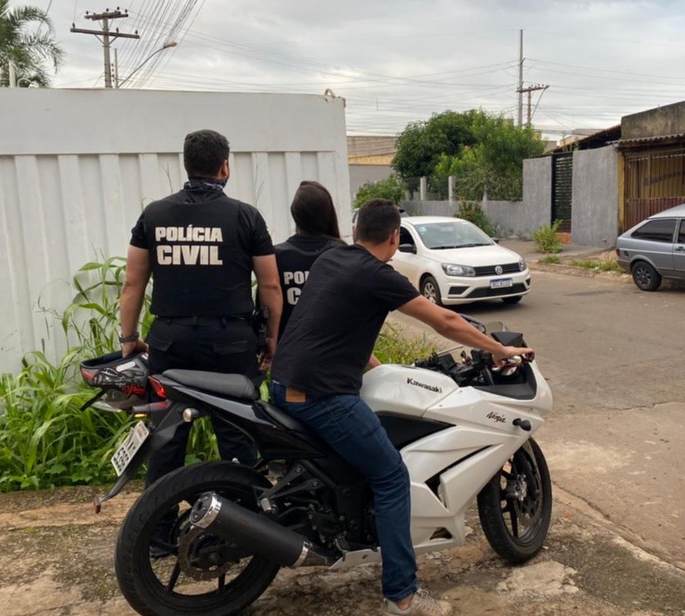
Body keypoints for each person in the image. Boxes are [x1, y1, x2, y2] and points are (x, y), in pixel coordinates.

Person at [269, 199, 532, 616]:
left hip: (284, 383)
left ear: (357, 232)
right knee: (391, 476)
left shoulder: (333, 257)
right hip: (320, 395)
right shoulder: (378, 275)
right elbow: (443, 321)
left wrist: (379, 366)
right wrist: (498, 348)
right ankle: (402, 597)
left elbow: (334, 325)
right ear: (395, 237)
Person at [118, 129, 283, 492]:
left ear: (187, 165)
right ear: (224, 167)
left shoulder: (154, 214)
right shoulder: (246, 216)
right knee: (238, 435)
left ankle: (157, 531)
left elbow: (133, 284)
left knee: (167, 437)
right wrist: (271, 340)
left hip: (171, 342)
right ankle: (245, 520)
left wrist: (129, 338)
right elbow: (270, 286)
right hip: (231, 344)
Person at [273, 180, 345, 340]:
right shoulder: (342, 252)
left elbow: (268, 307)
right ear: (328, 212)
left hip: (289, 352)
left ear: (295, 214)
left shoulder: (277, 255)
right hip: (334, 351)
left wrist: (270, 341)